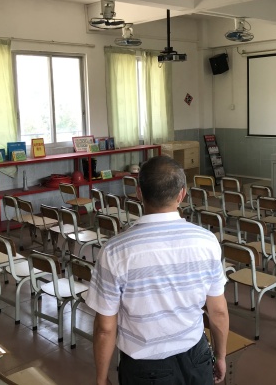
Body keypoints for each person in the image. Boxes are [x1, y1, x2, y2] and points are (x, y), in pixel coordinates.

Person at [86, 155, 229, 385]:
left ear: (139, 193)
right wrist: (220, 356)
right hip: (197, 356)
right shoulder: (207, 241)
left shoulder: (114, 251)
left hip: (145, 369)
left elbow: (105, 328)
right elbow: (218, 312)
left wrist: (101, 379)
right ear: (182, 194)